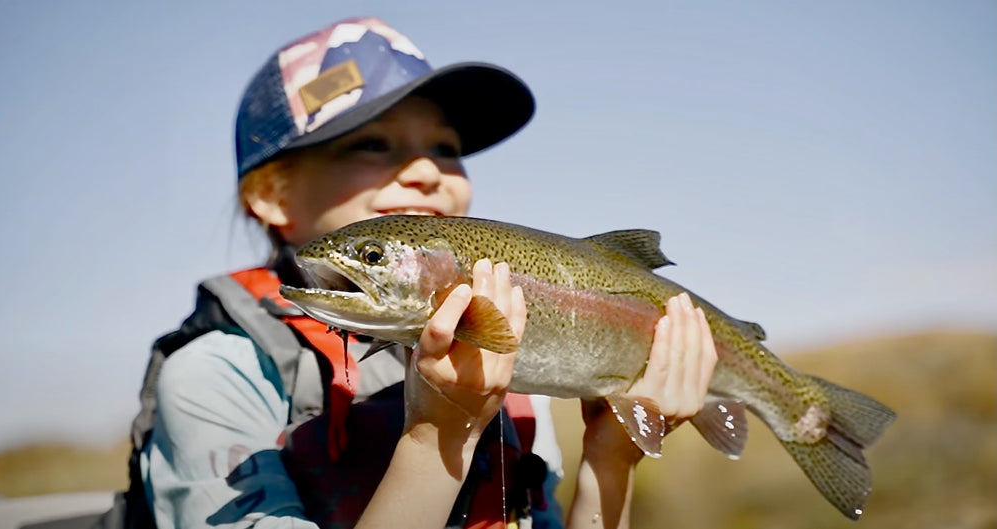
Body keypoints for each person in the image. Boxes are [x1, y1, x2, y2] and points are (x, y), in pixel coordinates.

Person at [102, 16, 718, 529]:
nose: (426, 171)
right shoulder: (215, 379)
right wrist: (435, 440)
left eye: (446, 148)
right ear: (272, 194)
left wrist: (610, 461)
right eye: (372, 144)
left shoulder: (501, 362)